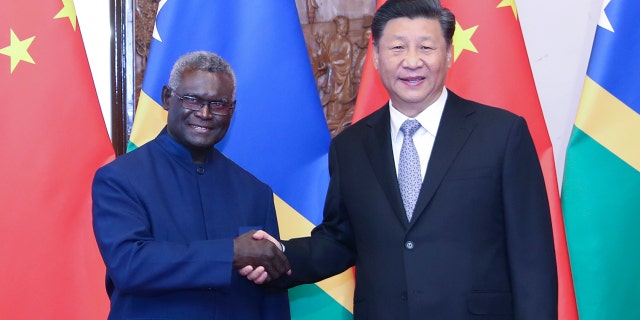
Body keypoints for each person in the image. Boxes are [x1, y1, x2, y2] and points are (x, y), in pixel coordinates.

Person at [246, 0, 558, 319]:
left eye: (426, 47)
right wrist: (279, 256)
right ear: (377, 57)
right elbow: (339, 240)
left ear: (449, 54)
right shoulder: (350, 147)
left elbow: (532, 258)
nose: (412, 61)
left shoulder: (502, 134)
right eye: (397, 47)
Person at [92, 51, 291, 320]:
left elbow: (271, 295)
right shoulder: (120, 178)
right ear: (167, 98)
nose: (205, 113)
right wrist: (233, 252)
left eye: (218, 104)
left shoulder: (255, 191)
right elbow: (131, 265)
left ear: (232, 110)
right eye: (192, 100)